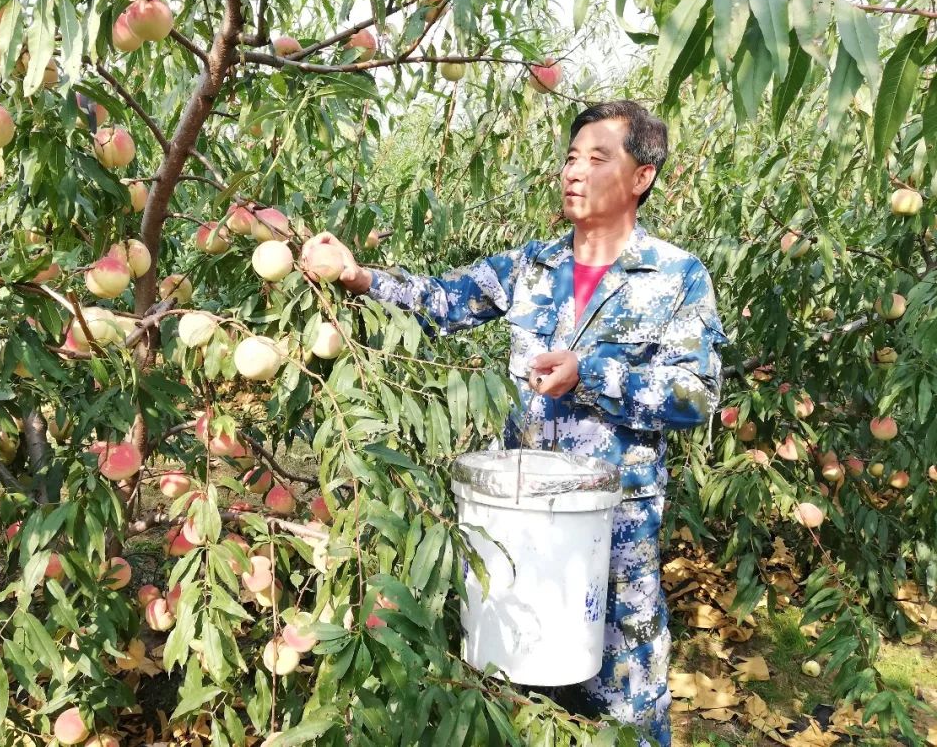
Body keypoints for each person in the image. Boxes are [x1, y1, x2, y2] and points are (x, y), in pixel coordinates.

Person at [302, 100, 727, 746]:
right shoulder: (532, 266)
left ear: (641, 177)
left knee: (627, 705)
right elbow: (442, 300)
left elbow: (696, 397)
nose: (574, 172)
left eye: (597, 158)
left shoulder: (673, 276)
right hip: (521, 525)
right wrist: (359, 276)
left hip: (615, 535)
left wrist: (593, 374)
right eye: (570, 157)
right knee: (518, 694)